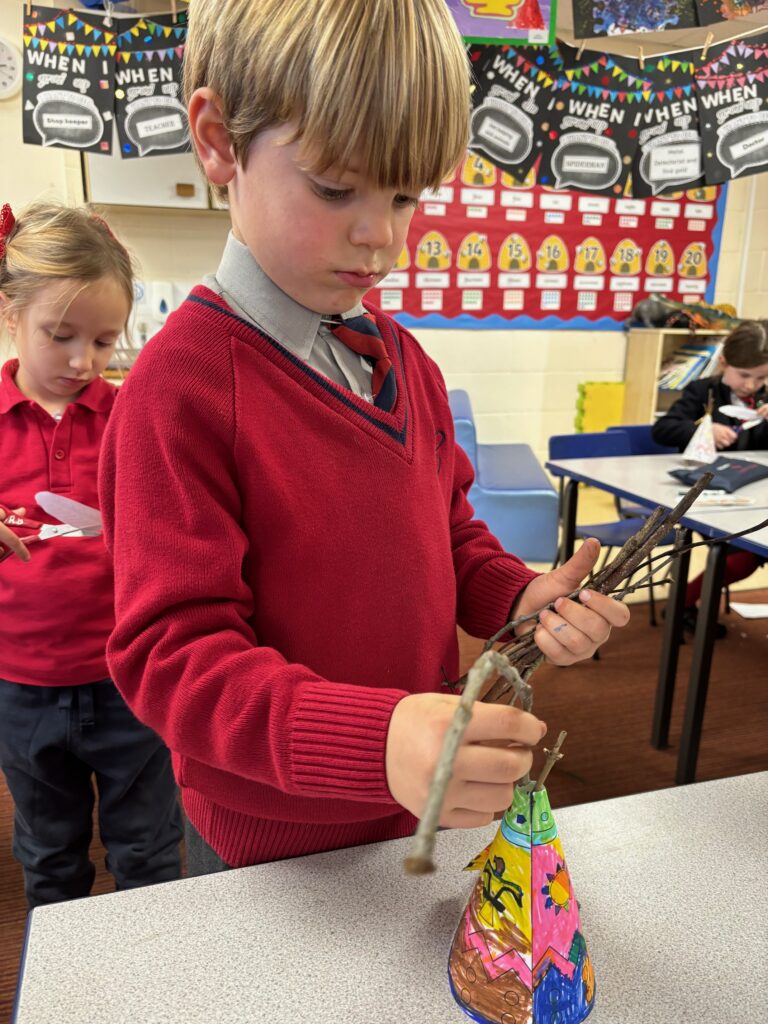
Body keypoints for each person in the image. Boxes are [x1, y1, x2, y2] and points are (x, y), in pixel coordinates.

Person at [99, 0, 630, 876]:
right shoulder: (179, 389)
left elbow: (447, 531)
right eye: (336, 187)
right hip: (272, 848)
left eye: (406, 195)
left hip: (419, 808)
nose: (380, 234)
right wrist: (373, 739)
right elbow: (172, 658)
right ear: (219, 140)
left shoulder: (403, 360)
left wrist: (518, 599)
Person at [0, 201, 182, 907]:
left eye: (104, 343)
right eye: (61, 335)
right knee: (49, 857)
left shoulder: (133, 417)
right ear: (12, 314)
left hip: (129, 681)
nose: (83, 361)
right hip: (21, 687)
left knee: (149, 853)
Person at [653, 319, 768, 636]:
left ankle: (685, 602)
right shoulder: (702, 392)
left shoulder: (764, 398)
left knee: (748, 553)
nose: (751, 385)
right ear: (723, 363)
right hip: (708, 496)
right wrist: (703, 430)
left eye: (761, 377)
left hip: (757, 495)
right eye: (744, 375)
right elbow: (662, 430)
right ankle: (683, 604)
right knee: (742, 558)